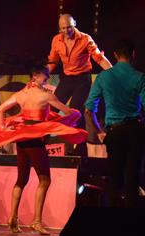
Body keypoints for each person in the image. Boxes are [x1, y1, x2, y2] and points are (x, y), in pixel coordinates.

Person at [0, 62, 88, 234]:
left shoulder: (21, 94)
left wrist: (4, 129)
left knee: (21, 180)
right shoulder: (46, 96)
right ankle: (37, 221)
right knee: (45, 180)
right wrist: (73, 115)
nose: (47, 79)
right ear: (36, 77)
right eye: (45, 76)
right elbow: (67, 112)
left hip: (21, 139)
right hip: (35, 140)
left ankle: (13, 218)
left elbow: (0, 110)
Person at [84, 40, 145, 207]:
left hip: (114, 132)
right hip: (134, 132)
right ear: (133, 55)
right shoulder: (140, 77)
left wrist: (99, 132)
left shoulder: (103, 77)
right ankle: (131, 226)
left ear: (115, 56)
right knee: (132, 180)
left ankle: (113, 226)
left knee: (114, 180)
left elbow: (88, 110)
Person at [48, 14, 112, 152]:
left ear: (75, 24)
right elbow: (52, 61)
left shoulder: (85, 39)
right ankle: (43, 141)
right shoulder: (56, 40)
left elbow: (99, 58)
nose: (66, 31)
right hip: (66, 79)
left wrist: (113, 72)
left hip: (82, 79)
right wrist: (39, 79)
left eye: (69, 27)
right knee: (51, 107)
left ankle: (79, 146)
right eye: (63, 28)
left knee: (76, 111)